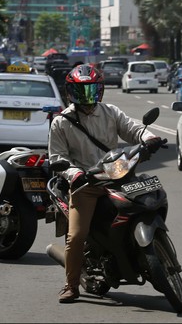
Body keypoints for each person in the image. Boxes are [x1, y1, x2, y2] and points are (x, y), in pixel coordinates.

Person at [48, 64, 162, 303]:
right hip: (86, 185)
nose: (86, 97)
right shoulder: (62, 122)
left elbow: (134, 129)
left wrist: (149, 138)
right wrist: (74, 173)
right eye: (80, 91)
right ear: (70, 92)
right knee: (77, 236)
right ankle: (71, 285)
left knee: (148, 200)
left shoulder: (110, 112)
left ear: (99, 91)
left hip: (118, 175)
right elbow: (57, 158)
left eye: (90, 90)